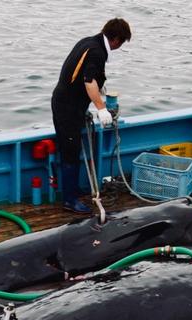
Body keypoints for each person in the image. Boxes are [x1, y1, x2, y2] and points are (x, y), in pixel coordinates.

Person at [52, 18, 132, 214]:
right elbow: (88, 81)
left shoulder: (88, 41)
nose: (118, 48)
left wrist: (98, 88)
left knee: (75, 148)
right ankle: (69, 200)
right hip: (67, 108)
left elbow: (82, 75)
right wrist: (101, 108)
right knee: (70, 152)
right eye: (120, 43)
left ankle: (74, 190)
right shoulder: (97, 52)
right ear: (115, 40)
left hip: (72, 105)